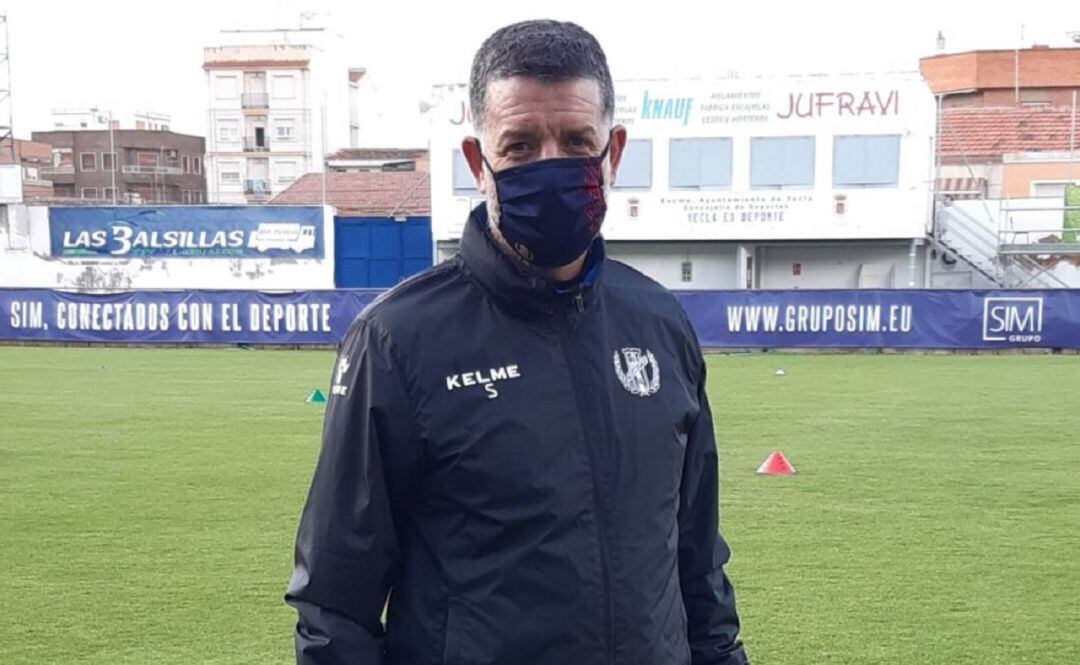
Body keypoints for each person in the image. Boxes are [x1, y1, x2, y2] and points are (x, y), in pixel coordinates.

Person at [286, 19, 749, 665]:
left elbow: (697, 557)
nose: (551, 164)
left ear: (611, 153)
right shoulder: (397, 340)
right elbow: (335, 602)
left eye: (576, 141)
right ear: (479, 162)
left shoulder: (657, 322)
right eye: (521, 145)